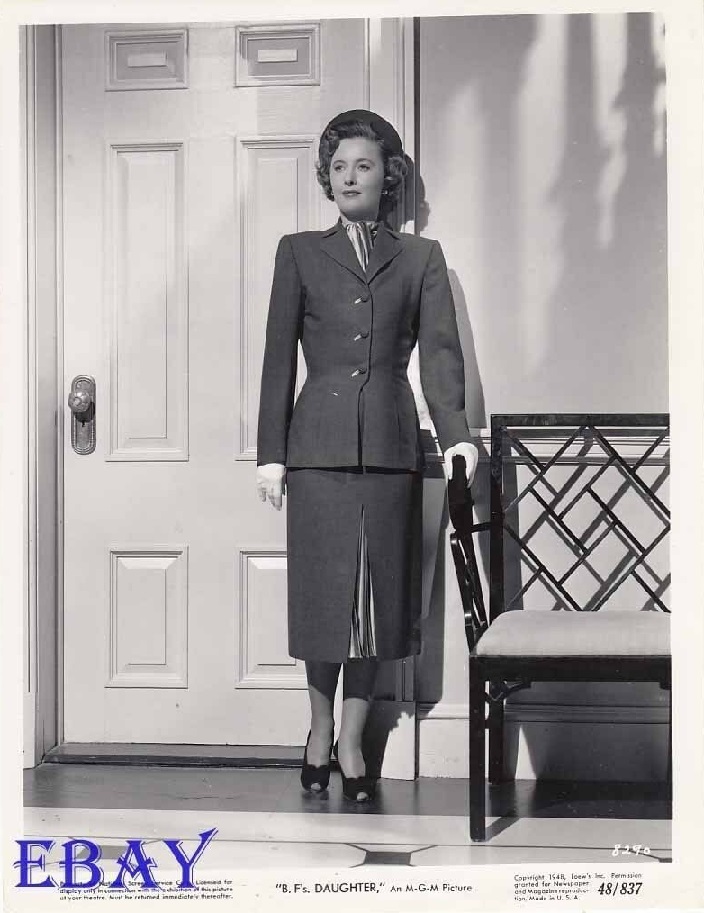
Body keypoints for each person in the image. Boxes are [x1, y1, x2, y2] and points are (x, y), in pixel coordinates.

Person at [256, 109, 478, 802]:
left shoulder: (420, 258)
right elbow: (277, 359)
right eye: (339, 167)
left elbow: (439, 355)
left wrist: (457, 434)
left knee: (378, 602)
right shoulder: (298, 251)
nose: (350, 177)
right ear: (327, 178)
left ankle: (353, 739)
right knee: (323, 598)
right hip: (315, 449)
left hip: (390, 446)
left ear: (389, 178)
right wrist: (270, 454)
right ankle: (319, 728)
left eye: (365, 165)